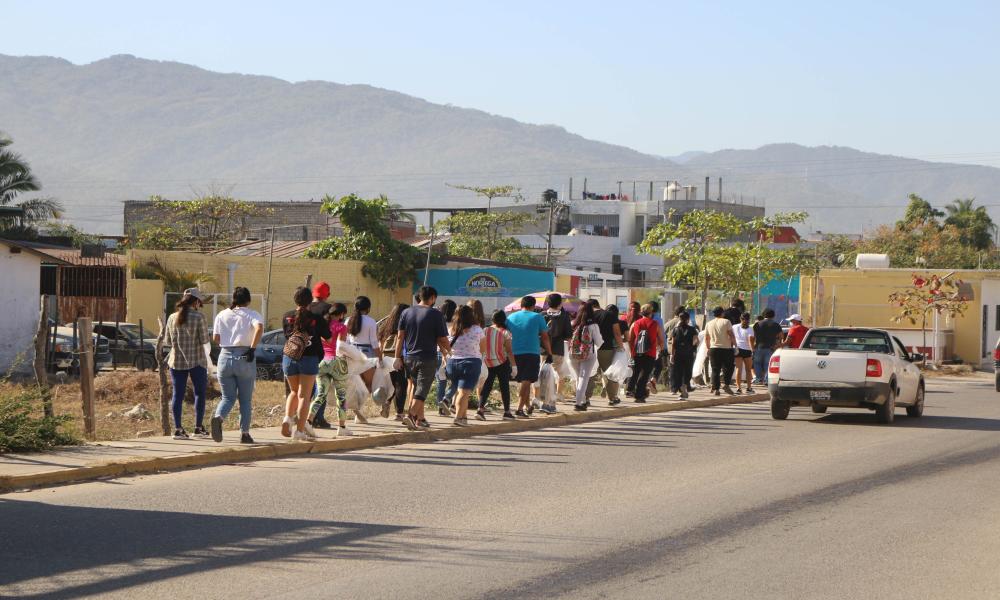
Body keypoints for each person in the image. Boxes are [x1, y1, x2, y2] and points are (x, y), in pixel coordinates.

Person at [210, 287, 263, 444]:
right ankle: (244, 434)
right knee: (245, 400)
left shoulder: (221, 314)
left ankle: (218, 417)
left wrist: (229, 342)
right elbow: (259, 328)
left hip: (224, 357)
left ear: (233, 299)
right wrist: (252, 348)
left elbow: (216, 338)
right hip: (244, 356)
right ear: (248, 300)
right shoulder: (252, 314)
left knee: (227, 397)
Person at [394, 286, 451, 431]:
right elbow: (442, 338)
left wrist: (397, 357)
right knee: (423, 388)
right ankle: (411, 415)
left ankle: (420, 419)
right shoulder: (436, 314)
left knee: (415, 386)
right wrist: (450, 351)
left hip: (409, 357)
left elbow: (400, 337)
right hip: (427, 357)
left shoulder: (406, 312)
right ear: (432, 298)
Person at [282, 286, 331, 441]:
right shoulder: (317, 318)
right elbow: (329, 338)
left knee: (293, 392)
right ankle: (299, 431)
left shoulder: (287, 316)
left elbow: (287, 336)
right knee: (304, 396)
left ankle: (287, 419)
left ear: (294, 299)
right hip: (309, 358)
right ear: (310, 300)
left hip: (289, 357)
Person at [164, 288, 210, 440]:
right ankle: (198, 428)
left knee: (177, 395)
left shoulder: (172, 317)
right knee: (200, 393)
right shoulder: (199, 317)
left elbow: (167, 341)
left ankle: (178, 429)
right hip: (197, 360)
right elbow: (204, 340)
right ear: (196, 302)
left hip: (176, 361)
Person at [506, 295, 553, 417]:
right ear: (533, 306)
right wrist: (549, 352)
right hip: (531, 352)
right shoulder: (537, 317)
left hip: (514, 353)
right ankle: (519, 409)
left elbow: (505, 334)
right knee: (526, 381)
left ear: (521, 305)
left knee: (523, 381)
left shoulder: (510, 317)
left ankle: (527, 406)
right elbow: (545, 337)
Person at [308, 303, 351, 433]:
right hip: (336, 361)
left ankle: (308, 422)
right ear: (341, 314)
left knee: (320, 395)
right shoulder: (341, 327)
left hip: (322, 361)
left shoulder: (322, 325)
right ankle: (342, 427)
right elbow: (341, 347)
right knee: (341, 396)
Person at [446, 305, 484, 426]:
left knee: (460, 392)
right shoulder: (477, 330)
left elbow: (446, 346)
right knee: (464, 393)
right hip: (470, 363)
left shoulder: (451, 329)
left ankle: (463, 418)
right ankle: (458, 418)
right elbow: (483, 348)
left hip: (452, 363)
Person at [478, 310, 515, 420]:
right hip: (501, 362)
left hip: (487, 362)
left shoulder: (484, 330)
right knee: (504, 387)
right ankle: (507, 412)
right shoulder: (505, 332)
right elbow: (509, 351)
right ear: (504, 320)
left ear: (492, 319)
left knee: (487, 386)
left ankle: (480, 409)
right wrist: (514, 366)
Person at [587, 304, 625, 406]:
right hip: (606, 349)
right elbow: (617, 333)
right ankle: (612, 398)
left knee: (590, 373)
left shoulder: (589, 314)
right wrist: (621, 347)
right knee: (609, 374)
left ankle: (585, 398)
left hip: (590, 349)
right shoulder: (610, 315)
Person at [569, 301, 604, 411]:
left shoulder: (573, 324)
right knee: (583, 378)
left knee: (578, 378)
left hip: (572, 354)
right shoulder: (593, 326)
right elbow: (599, 342)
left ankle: (582, 400)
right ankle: (578, 403)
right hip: (588, 354)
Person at [378, 303, 410, 420]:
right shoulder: (405, 323)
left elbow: (380, 342)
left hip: (386, 356)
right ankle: (399, 413)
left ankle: (387, 402)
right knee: (401, 384)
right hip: (399, 357)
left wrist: (380, 358)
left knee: (391, 383)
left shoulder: (386, 323)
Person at [542, 293, 573, 403]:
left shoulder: (542, 315)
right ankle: (559, 394)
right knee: (560, 372)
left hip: (543, 349)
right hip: (558, 348)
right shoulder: (564, 316)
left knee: (543, 372)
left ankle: (544, 395)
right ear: (560, 303)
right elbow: (568, 334)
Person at [628, 304, 661, 404]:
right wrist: (659, 349)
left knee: (636, 372)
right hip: (650, 353)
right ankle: (639, 395)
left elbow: (630, 339)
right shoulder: (655, 324)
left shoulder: (635, 323)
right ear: (651, 313)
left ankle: (632, 390)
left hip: (637, 352)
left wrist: (632, 351)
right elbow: (660, 339)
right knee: (645, 374)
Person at [705, 306, 737, 396]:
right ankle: (726, 385)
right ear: (722, 313)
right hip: (726, 348)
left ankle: (716, 389)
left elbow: (707, 338)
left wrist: (708, 348)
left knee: (715, 369)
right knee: (729, 368)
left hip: (713, 349)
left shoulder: (709, 323)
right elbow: (731, 335)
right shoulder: (726, 321)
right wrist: (736, 346)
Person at [435, 299, 459, 414]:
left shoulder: (438, 322)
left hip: (438, 353)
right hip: (452, 355)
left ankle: (441, 408)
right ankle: (447, 398)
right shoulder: (456, 324)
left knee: (441, 381)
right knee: (457, 380)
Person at [669, 310, 699, 398]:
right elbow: (696, 341)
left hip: (678, 353)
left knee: (678, 371)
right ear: (688, 319)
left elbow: (673, 343)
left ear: (679, 319)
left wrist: (672, 355)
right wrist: (693, 347)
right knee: (688, 371)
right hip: (688, 353)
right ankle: (685, 386)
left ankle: (679, 388)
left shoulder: (675, 329)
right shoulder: (692, 329)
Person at [752, 308, 783, 384]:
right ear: (773, 316)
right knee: (768, 364)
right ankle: (766, 380)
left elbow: (753, 336)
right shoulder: (776, 325)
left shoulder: (757, 324)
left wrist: (753, 347)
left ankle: (758, 379)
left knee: (757, 363)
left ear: (764, 315)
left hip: (759, 347)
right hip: (770, 348)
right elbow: (781, 336)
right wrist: (777, 345)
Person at [346, 296, 381, 360]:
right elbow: (374, 342)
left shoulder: (348, 320)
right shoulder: (371, 321)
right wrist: (380, 358)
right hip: (367, 353)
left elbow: (346, 340)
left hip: (352, 351)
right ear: (368, 308)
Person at [732, 311, 754, 394]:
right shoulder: (750, 329)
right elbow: (750, 341)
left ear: (740, 318)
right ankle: (749, 388)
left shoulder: (734, 327)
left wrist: (733, 346)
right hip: (747, 350)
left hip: (738, 349)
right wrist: (753, 351)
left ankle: (738, 388)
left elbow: (731, 337)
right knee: (748, 370)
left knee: (738, 369)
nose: (746, 321)